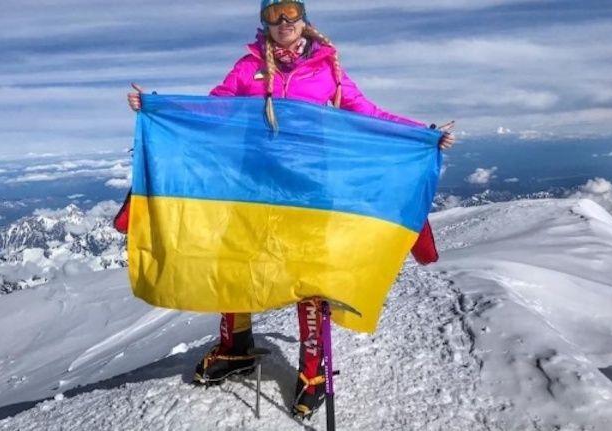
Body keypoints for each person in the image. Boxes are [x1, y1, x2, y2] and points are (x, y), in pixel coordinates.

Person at [127, 0, 455, 417]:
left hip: (309, 191)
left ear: (304, 17)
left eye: (291, 11)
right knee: (236, 262)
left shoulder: (328, 68)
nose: (284, 21)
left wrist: (423, 135)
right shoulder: (248, 67)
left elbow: (368, 114)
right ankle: (235, 346)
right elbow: (215, 109)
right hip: (252, 187)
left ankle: (313, 371)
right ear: (264, 21)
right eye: (274, 13)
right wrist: (159, 107)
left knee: (309, 275)